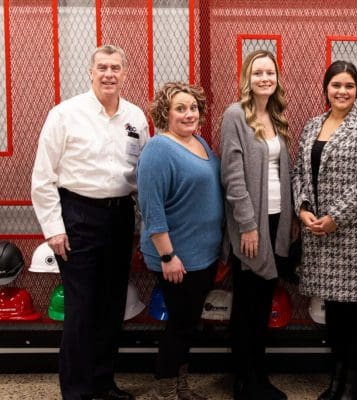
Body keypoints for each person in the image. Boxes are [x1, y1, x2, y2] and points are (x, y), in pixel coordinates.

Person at [31, 44, 148, 400]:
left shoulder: (136, 117)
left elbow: (143, 174)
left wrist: (143, 225)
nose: (109, 74)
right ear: (90, 71)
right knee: (81, 309)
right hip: (78, 216)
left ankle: (102, 382)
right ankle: (78, 391)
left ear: (126, 73)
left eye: (115, 67)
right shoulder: (65, 114)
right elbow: (42, 176)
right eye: (102, 68)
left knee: (112, 305)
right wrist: (53, 227)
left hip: (120, 216)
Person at [292, 61, 357, 400]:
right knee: (333, 313)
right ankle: (336, 379)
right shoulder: (312, 125)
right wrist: (302, 209)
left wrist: (334, 216)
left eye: (349, 85)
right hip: (318, 235)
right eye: (336, 85)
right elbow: (299, 172)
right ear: (326, 89)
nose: (342, 91)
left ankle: (354, 384)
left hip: (354, 236)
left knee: (355, 314)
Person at [137, 82, 222, 400]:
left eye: (193, 108)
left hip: (202, 255)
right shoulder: (159, 149)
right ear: (165, 113)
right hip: (176, 257)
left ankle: (181, 389)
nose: (189, 114)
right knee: (179, 326)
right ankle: (165, 391)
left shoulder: (198, 142)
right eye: (180, 108)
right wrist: (168, 255)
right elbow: (151, 208)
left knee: (188, 325)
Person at [220, 49, 294, 400]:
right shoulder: (235, 115)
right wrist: (247, 225)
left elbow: (284, 172)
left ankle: (257, 376)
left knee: (263, 302)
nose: (265, 78)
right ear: (247, 78)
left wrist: (289, 220)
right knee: (247, 304)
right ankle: (244, 381)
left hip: (277, 220)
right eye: (258, 72)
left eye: (270, 72)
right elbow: (232, 176)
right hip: (251, 223)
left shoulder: (276, 116)